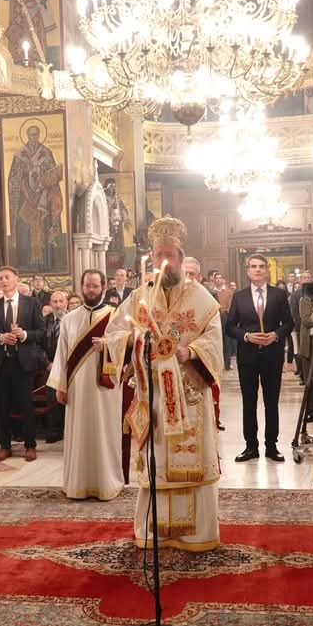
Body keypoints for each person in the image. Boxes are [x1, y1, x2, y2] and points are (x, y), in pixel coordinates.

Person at [104, 217, 224, 551]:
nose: (164, 262)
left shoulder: (201, 297)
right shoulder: (140, 297)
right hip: (154, 394)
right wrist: (136, 341)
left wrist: (190, 351)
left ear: (181, 258)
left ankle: (197, 534)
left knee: (192, 462)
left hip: (190, 395)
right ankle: (155, 530)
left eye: (170, 255)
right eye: (159, 255)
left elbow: (215, 341)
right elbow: (115, 334)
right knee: (156, 463)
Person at [48, 270, 125, 499]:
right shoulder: (70, 318)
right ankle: (77, 483)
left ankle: (107, 482)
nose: (91, 290)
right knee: (78, 434)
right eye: (87, 286)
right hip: (77, 389)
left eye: (95, 286)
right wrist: (60, 386)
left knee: (105, 432)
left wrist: (108, 344)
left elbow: (128, 346)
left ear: (103, 288)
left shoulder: (115, 316)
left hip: (105, 389)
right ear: (81, 287)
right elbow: (62, 354)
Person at [226, 254, 293, 462]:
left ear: (267, 270)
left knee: (271, 402)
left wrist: (276, 335)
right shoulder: (239, 296)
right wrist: (246, 336)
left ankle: (272, 446)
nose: (257, 270)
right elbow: (230, 327)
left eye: (261, 266)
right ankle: (250, 447)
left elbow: (289, 323)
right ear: (248, 271)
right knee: (249, 403)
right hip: (248, 356)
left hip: (272, 355)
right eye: (253, 266)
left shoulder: (278, 295)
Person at [0, 265, 46, 462]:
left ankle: (30, 445)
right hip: (0, 363)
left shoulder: (31, 303)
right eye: (0, 278)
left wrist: (24, 334)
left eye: (7, 277)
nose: (3, 281)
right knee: (1, 407)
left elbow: (41, 332)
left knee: (26, 405)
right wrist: (0, 338)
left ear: (16, 279)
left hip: (22, 361)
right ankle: (4, 446)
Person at [42, 290, 68, 443]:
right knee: (52, 399)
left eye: (61, 301)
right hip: (51, 365)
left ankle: (70, 430)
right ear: (50, 304)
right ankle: (54, 431)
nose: (58, 305)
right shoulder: (43, 321)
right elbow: (37, 346)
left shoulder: (73, 319)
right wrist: (47, 362)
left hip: (71, 366)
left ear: (66, 303)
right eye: (55, 302)